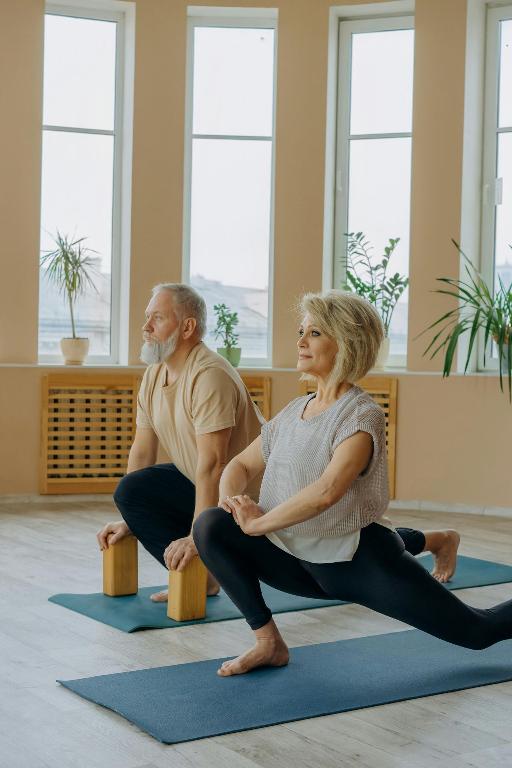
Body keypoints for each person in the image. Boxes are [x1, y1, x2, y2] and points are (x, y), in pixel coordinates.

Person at [193, 290, 512, 677]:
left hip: (354, 563)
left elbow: (327, 492)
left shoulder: (361, 416)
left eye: (314, 333)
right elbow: (241, 463)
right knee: (211, 525)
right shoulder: (296, 410)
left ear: (345, 343)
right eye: (301, 331)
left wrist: (257, 523)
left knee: (478, 632)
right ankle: (268, 642)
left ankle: (437, 540)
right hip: (293, 557)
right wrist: (233, 504)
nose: (300, 341)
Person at [96, 283, 263, 600]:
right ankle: (201, 572)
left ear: (188, 327)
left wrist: (195, 537)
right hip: (202, 480)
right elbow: (143, 449)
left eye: (157, 318)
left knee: (199, 478)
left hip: (246, 499)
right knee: (131, 491)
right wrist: (131, 519)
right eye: (148, 318)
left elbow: (213, 465)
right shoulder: (154, 374)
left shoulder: (210, 375)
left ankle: (207, 574)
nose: (146, 327)